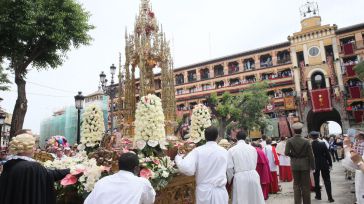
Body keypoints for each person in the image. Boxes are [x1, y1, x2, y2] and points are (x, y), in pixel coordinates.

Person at [0, 133, 69, 204]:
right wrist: (70, 170)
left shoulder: (9, 164)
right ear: (28, 148)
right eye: (33, 146)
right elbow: (50, 175)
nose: (35, 149)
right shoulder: (32, 167)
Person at [175, 126, 229, 204]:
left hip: (204, 193)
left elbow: (187, 168)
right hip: (219, 193)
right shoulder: (224, 152)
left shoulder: (198, 151)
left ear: (205, 137)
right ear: (217, 137)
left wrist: (178, 158)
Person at [84, 152, 155, 204]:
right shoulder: (142, 183)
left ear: (118, 166)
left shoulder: (103, 181)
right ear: (136, 168)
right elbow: (149, 201)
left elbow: (88, 202)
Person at [227, 131, 265, 204]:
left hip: (240, 177)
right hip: (253, 175)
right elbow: (255, 162)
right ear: (245, 137)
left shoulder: (232, 150)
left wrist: (230, 180)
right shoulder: (252, 149)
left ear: (236, 138)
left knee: (242, 199)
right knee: (254, 199)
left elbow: (229, 168)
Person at [285, 122, 315, 204]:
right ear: (301, 131)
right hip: (305, 164)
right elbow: (311, 155)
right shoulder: (306, 141)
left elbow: (286, 153)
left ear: (294, 131)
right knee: (306, 185)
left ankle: (297, 202)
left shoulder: (289, 141)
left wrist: (293, 155)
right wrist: (313, 166)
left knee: (296, 185)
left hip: (294, 165)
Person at [310, 131, 334, 202]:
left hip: (315, 164)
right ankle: (330, 197)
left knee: (316, 180)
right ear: (318, 136)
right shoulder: (322, 143)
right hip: (324, 163)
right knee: (327, 180)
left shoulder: (310, 145)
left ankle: (318, 196)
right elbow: (327, 155)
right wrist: (330, 164)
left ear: (311, 137)